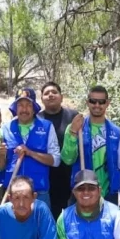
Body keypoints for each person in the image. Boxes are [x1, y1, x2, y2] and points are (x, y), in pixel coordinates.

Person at [61, 85, 120, 214]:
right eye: (93, 101)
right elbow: (67, 159)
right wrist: (73, 133)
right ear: (87, 102)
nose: (97, 105)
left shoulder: (116, 132)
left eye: (101, 102)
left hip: (108, 194)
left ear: (107, 104)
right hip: (82, 193)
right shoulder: (76, 127)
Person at [0, 88, 61, 211]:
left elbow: (56, 160)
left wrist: (30, 153)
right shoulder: (5, 129)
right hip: (13, 194)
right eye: (20, 105)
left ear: (34, 108)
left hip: (39, 194)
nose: (24, 109)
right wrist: (1, 155)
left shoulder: (47, 127)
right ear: (15, 108)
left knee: (41, 230)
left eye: (28, 105)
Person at [38, 82, 79, 219]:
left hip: (71, 176)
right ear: (41, 99)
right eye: (46, 93)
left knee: (72, 217)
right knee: (51, 218)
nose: (50, 95)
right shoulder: (37, 120)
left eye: (54, 92)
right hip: (47, 178)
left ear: (61, 97)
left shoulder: (73, 116)